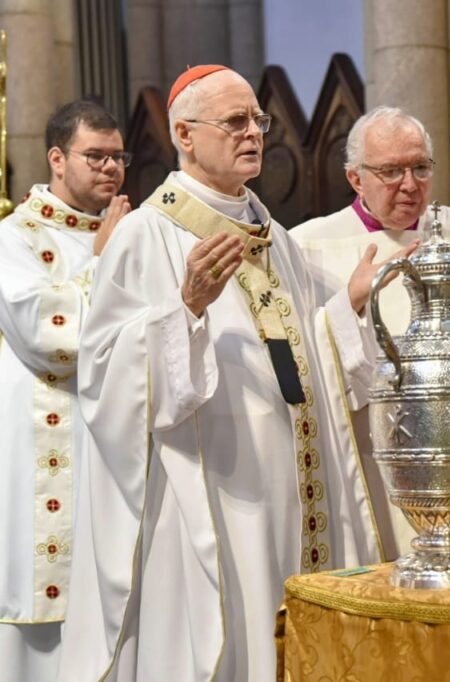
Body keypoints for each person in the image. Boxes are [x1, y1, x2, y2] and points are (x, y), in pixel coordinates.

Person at [57, 65, 377, 682]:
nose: (253, 132)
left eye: (258, 119)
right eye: (235, 121)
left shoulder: (276, 237)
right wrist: (187, 310)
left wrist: (348, 308)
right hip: (214, 487)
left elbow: (307, 345)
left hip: (295, 474)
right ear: (184, 132)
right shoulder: (146, 235)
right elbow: (103, 373)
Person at [289, 105, 450, 558]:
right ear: (356, 178)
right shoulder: (308, 243)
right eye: (391, 171)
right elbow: (301, 353)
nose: (410, 185)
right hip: (372, 446)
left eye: (420, 168)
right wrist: (349, 302)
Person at [0, 100, 130, 681]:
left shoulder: (127, 232)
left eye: (118, 156)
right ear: (57, 158)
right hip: (46, 449)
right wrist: (102, 260)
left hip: (114, 444)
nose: (110, 168)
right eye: (95, 156)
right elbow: (49, 335)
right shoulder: (15, 237)